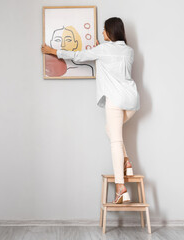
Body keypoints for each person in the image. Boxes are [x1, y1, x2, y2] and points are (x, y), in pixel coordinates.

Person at [41, 17, 140, 204]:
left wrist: (53, 51)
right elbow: (111, 63)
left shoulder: (103, 50)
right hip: (132, 99)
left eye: (104, 30)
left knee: (115, 140)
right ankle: (126, 161)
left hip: (115, 100)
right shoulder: (129, 51)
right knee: (111, 130)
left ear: (110, 32)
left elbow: (78, 56)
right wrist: (98, 49)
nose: (102, 33)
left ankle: (120, 187)